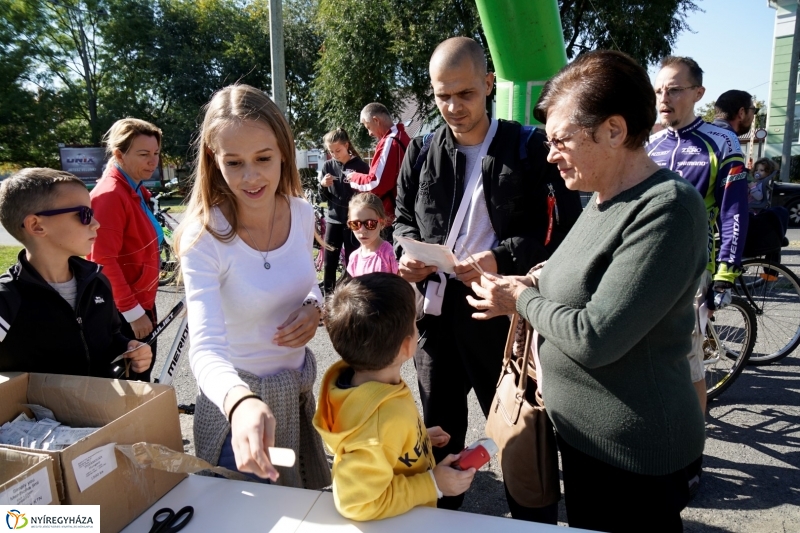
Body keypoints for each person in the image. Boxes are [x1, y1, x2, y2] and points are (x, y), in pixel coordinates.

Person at [467, 50, 707, 533]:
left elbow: (596, 337)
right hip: (587, 441)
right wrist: (532, 279)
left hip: (633, 457)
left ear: (614, 131)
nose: (550, 153)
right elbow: (571, 273)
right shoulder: (602, 198)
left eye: (561, 140)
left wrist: (520, 301)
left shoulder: (668, 208)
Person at [394, 36, 581, 521]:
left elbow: (558, 228)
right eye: (442, 96)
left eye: (465, 94)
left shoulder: (527, 146)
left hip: (498, 310)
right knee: (439, 426)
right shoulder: (419, 151)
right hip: (434, 313)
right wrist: (406, 254)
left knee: (518, 426)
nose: (453, 107)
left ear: (489, 84)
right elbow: (401, 219)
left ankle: (532, 519)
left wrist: (500, 257)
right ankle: (442, 512)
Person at [174, 84, 330, 488]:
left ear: (284, 151)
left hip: (296, 400)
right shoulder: (204, 236)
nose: (251, 177)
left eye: (263, 158)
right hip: (237, 419)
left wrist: (315, 309)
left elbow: (310, 285)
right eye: (234, 162)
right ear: (213, 159)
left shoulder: (301, 212)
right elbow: (205, 348)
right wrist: (240, 402)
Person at [313, 273, 475, 520]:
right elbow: (355, 503)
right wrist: (432, 484)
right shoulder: (380, 423)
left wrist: (414, 438)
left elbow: (381, 443)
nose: (417, 327)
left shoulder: (365, 387)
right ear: (407, 347)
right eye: (414, 322)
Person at [647, 57, 750, 415]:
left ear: (697, 93)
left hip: (691, 268)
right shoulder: (651, 145)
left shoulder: (722, 140)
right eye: (659, 90)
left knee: (688, 363)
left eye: (674, 89)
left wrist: (725, 273)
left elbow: (734, 210)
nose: (664, 97)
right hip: (644, 265)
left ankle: (692, 450)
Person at [0, 168, 151, 377]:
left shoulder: (96, 281)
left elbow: (111, 336)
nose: (96, 224)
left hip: (100, 407)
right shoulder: (7, 300)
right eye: (84, 214)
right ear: (36, 225)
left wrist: (129, 348)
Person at [88, 118, 163, 382]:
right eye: (143, 154)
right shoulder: (110, 194)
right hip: (123, 311)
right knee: (133, 384)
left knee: (142, 377)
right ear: (119, 154)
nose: (152, 161)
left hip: (141, 301)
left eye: (155, 153)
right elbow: (102, 259)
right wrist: (133, 312)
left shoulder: (134, 189)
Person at [318, 128, 370, 294]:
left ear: (347, 145)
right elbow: (323, 199)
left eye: (338, 150)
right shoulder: (328, 166)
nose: (334, 154)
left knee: (352, 260)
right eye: (331, 151)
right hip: (333, 221)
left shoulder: (361, 166)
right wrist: (322, 186)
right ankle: (328, 299)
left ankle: (352, 296)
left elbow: (368, 194)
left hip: (353, 222)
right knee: (329, 262)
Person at [347, 103, 410, 230]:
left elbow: (376, 183)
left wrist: (353, 178)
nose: (369, 133)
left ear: (376, 120)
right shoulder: (402, 137)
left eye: (368, 127)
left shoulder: (389, 142)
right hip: (403, 211)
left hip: (391, 216)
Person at [345, 193, 398, 277]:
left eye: (370, 224)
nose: (362, 230)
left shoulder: (390, 255)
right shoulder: (354, 258)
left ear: (382, 222)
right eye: (355, 224)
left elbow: (401, 287)